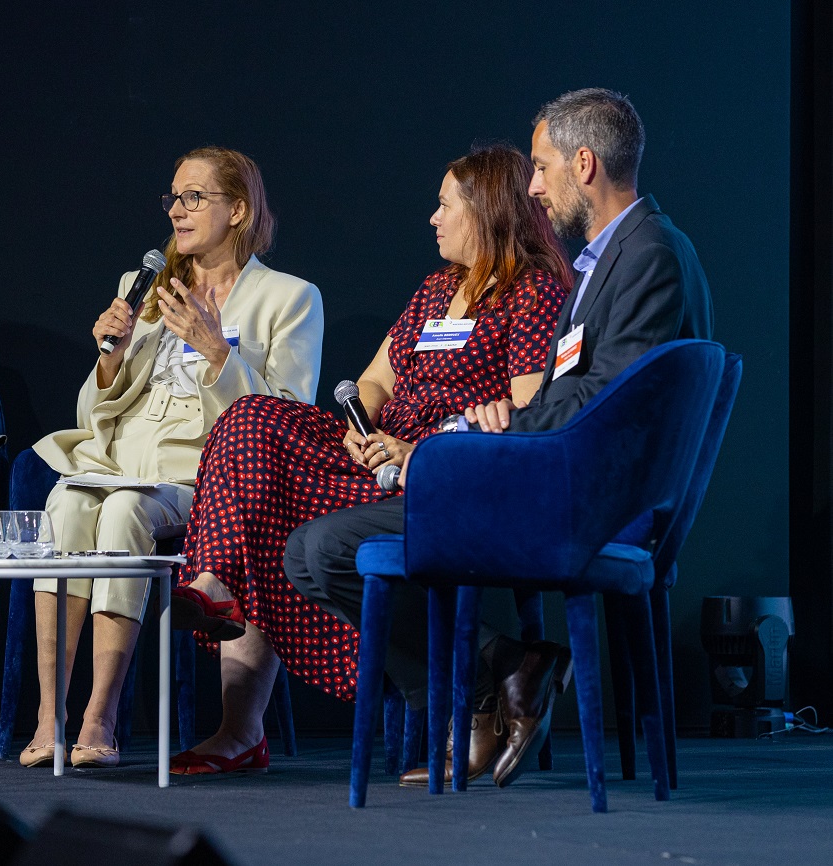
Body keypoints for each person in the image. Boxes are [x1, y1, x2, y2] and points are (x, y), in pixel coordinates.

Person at [286, 88, 715, 789]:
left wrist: (470, 440)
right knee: (308, 548)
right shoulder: (610, 260)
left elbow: (606, 408)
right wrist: (497, 423)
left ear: (584, 164)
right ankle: (502, 674)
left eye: (542, 168)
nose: (534, 187)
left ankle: (481, 691)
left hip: (580, 501)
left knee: (330, 547)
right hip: (556, 476)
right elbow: (576, 395)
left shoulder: (648, 256)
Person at [168, 143, 572, 775]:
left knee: (294, 536)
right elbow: (373, 383)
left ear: (489, 212)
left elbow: (527, 418)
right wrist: (362, 428)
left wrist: (422, 448)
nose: (432, 219)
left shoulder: (532, 295)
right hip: (378, 461)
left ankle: (472, 687)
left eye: (444, 206)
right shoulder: (436, 290)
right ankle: (214, 582)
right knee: (251, 417)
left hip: (446, 474)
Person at [23, 146, 324, 769]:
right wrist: (111, 357)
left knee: (124, 514)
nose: (178, 211)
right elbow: (96, 412)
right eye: (174, 197)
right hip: (117, 461)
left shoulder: (289, 298)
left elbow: (288, 421)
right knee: (66, 504)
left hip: (201, 480)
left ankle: (101, 717)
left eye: (194, 197)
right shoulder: (153, 292)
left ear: (237, 210)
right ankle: (50, 716)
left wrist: (220, 354)